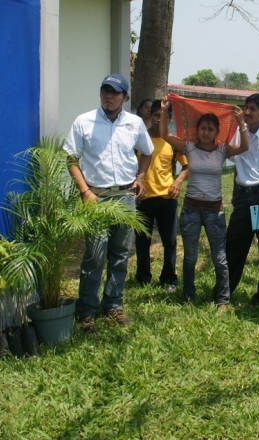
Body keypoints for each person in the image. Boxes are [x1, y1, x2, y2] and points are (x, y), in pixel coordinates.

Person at [64, 73, 154, 332]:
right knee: (94, 256)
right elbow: (71, 158)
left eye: (115, 92)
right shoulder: (84, 122)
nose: (108, 96)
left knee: (120, 254)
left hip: (125, 197)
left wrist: (141, 177)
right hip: (97, 198)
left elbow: (147, 152)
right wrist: (85, 192)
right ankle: (87, 311)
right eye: (105, 90)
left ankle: (113, 305)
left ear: (125, 98)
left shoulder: (134, 123)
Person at [159, 99, 248, 309]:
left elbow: (244, 146)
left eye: (210, 129)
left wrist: (241, 123)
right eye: (203, 128)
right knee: (190, 257)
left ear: (217, 132)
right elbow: (165, 135)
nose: (206, 132)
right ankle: (189, 295)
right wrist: (164, 111)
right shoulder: (188, 147)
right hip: (190, 210)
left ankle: (223, 300)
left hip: (214, 213)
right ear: (197, 130)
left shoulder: (222, 151)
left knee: (219, 258)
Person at [225, 93, 259, 305]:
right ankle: (225, 292)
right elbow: (231, 157)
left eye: (252, 109)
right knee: (234, 246)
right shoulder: (239, 132)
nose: (246, 112)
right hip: (242, 197)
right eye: (246, 107)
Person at [135, 100, 188, 292]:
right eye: (156, 115)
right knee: (142, 240)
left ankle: (169, 277)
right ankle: (142, 277)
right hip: (143, 198)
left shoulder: (173, 142)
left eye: (163, 116)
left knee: (170, 241)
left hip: (167, 198)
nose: (159, 119)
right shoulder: (140, 140)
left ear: (170, 118)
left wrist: (178, 181)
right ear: (150, 116)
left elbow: (187, 166)